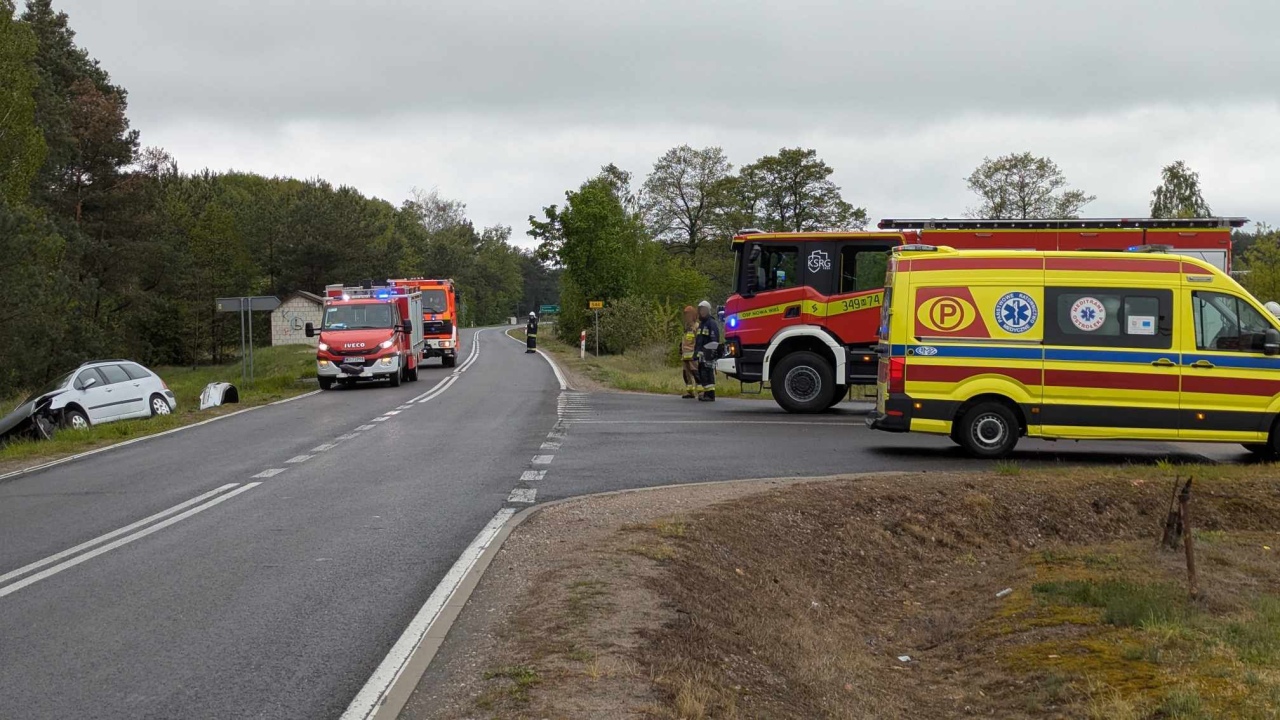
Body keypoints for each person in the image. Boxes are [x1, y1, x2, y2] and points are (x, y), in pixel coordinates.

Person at [694, 300, 720, 402]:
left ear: (708, 311)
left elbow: (714, 339)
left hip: (708, 354)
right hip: (701, 355)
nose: (702, 312)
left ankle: (710, 395)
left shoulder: (711, 323)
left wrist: (711, 353)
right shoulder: (701, 324)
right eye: (701, 310)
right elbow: (699, 340)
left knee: (708, 373)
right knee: (702, 373)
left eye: (704, 310)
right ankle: (706, 393)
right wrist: (696, 353)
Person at [679, 306, 698, 399]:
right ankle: (690, 392)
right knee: (686, 374)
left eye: (688, 315)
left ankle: (701, 392)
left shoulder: (696, 327)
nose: (687, 317)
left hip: (693, 355)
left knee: (696, 373)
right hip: (685, 355)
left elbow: (698, 341)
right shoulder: (686, 328)